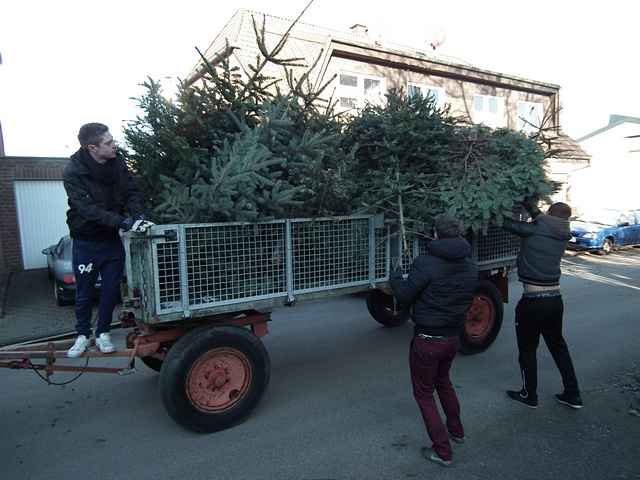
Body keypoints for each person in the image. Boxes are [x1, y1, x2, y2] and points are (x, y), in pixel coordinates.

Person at [390, 215, 478, 467]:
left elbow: (405, 295)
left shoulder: (426, 263)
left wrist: (395, 278)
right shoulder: (471, 265)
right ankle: (457, 431)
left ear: (435, 234)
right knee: (443, 382)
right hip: (452, 337)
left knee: (424, 394)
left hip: (427, 340)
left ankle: (442, 451)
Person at [63, 123, 152, 358]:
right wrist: (122, 222)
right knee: (84, 292)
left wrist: (138, 215)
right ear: (93, 147)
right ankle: (82, 335)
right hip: (86, 241)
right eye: (109, 142)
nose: (115, 145)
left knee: (111, 291)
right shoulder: (73, 171)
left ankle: (103, 333)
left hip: (111, 241)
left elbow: (131, 191)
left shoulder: (117, 163)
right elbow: (87, 209)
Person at [502, 200, 583, 409]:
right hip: (555, 300)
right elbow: (541, 217)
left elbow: (507, 224)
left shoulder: (532, 231)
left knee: (528, 350)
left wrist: (491, 209)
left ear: (548, 215)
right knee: (558, 348)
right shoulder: (562, 233)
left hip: (533, 302)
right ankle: (573, 394)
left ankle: (530, 395)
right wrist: (529, 203)